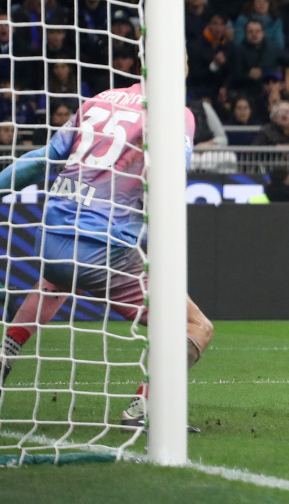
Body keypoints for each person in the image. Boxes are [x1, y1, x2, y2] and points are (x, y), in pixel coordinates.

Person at [0, 80, 214, 431]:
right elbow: (171, 177)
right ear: (182, 69)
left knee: (57, 279)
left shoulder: (99, 100)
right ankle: (142, 409)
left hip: (51, 237)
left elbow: (41, 161)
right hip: (106, 249)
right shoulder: (177, 113)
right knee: (196, 327)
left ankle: (5, 354)